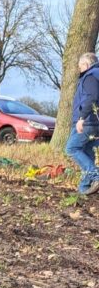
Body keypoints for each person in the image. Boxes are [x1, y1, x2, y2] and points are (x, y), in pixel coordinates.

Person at [65, 52, 99, 196]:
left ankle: (96, 175)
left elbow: (92, 97)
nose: (79, 69)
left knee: (71, 148)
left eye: (80, 67)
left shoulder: (90, 76)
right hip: (95, 122)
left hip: (88, 121)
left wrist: (81, 117)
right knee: (87, 153)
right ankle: (84, 188)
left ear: (86, 64)